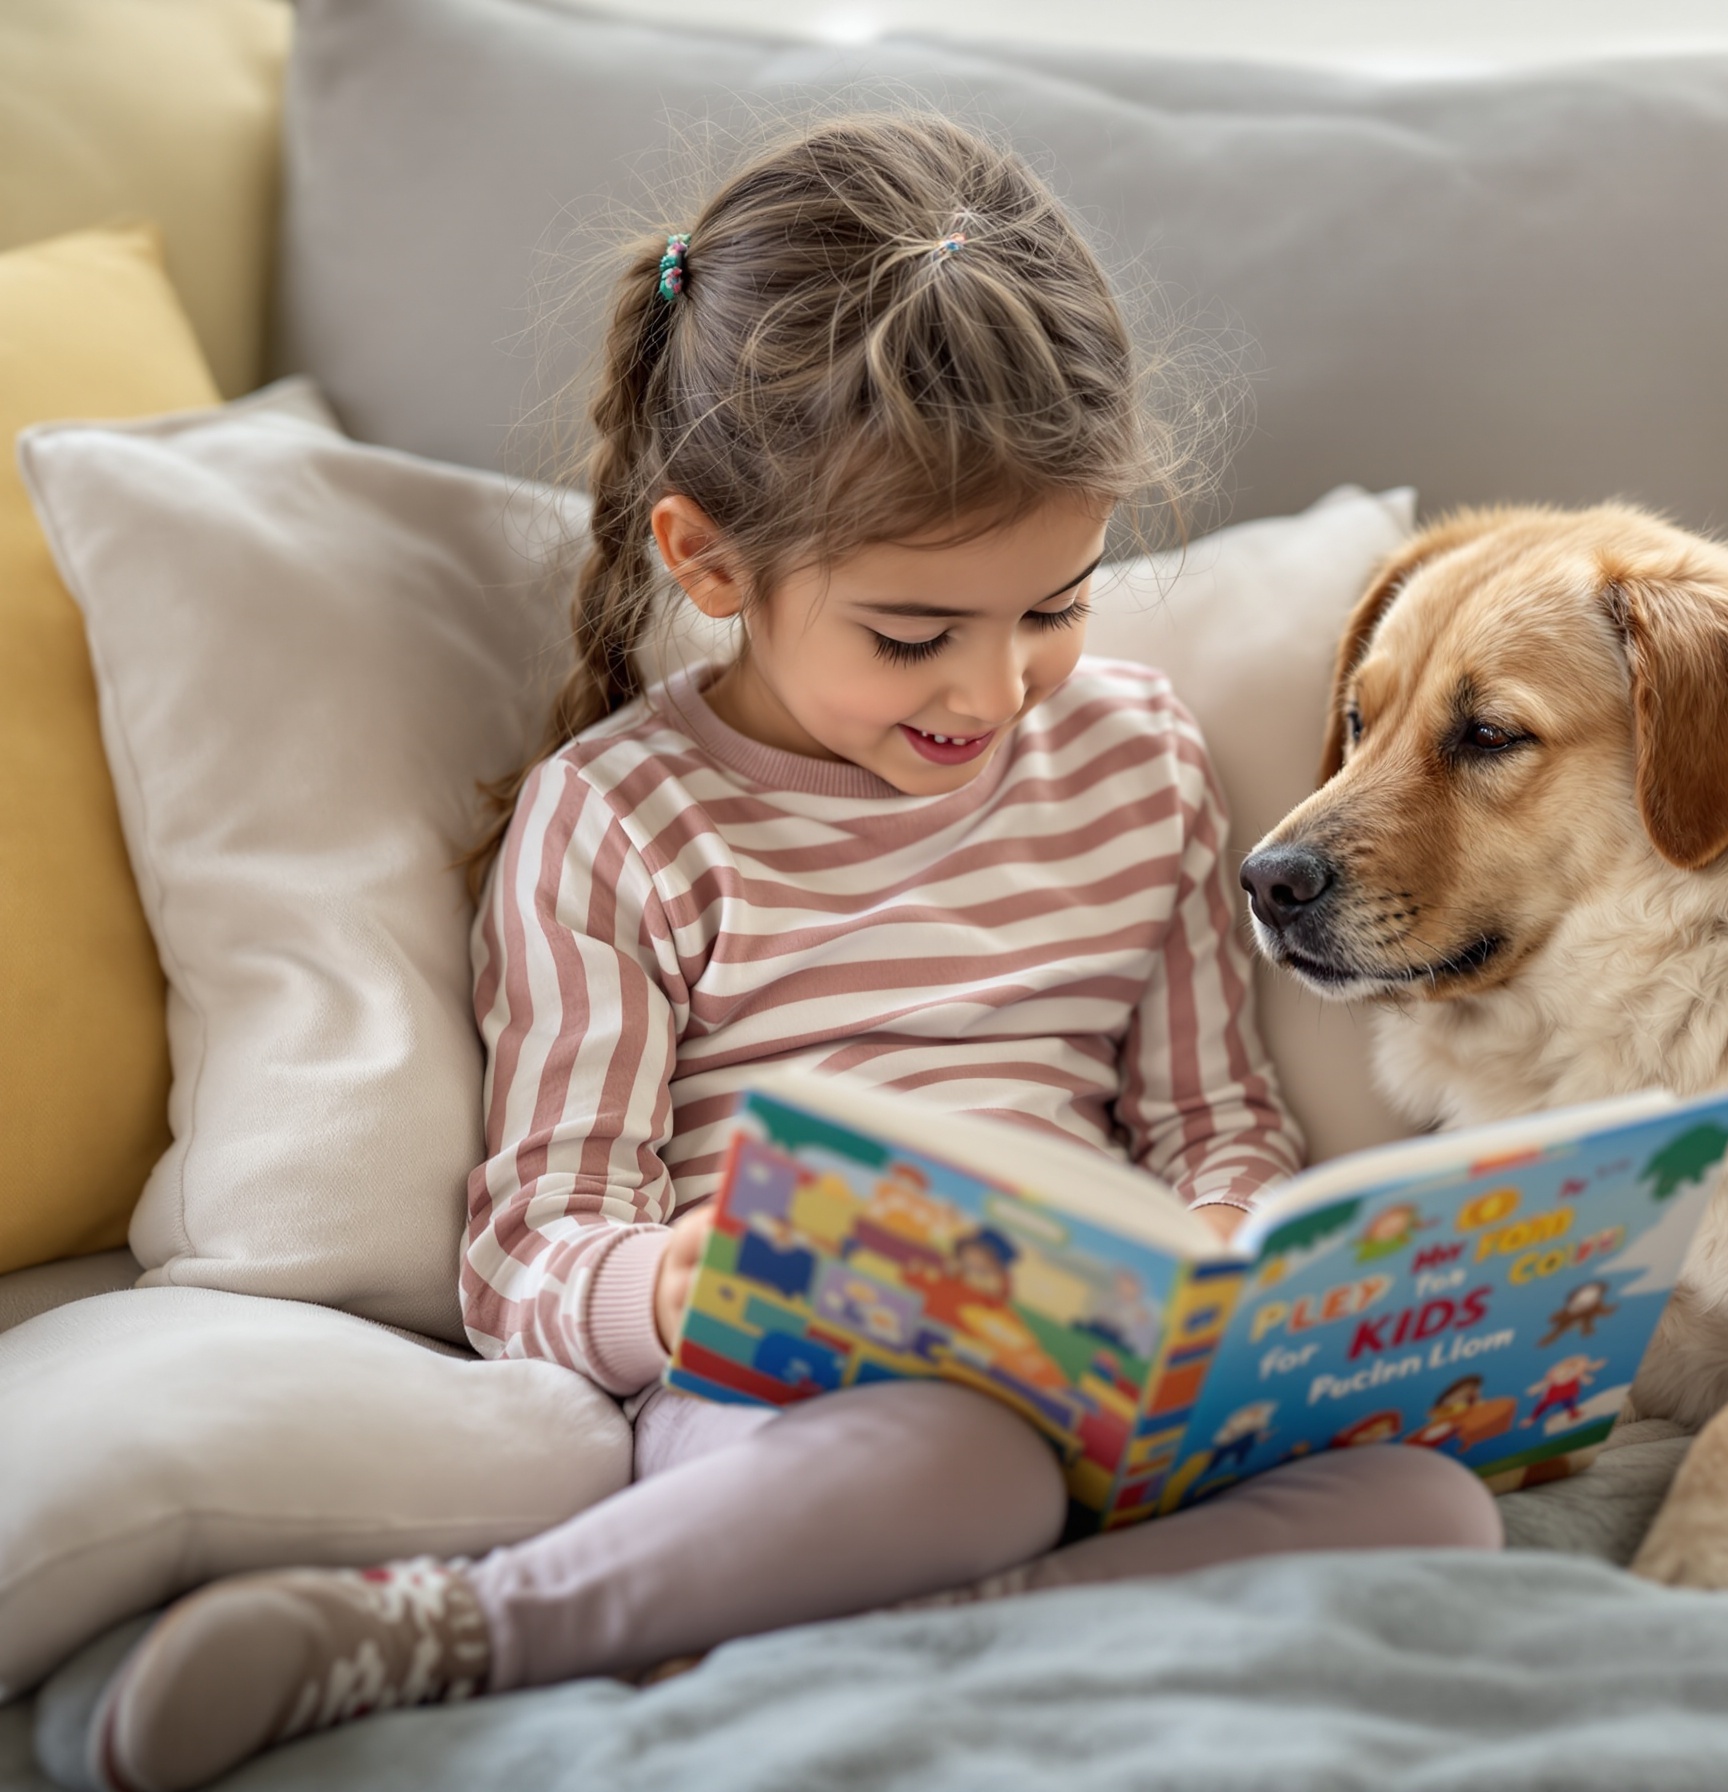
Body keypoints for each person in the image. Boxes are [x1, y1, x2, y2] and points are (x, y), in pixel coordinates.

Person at [93, 116, 1500, 1791]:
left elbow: (1214, 1116)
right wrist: (688, 1280)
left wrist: (1235, 1262)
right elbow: (529, 1253)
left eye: (1055, 607)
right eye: (913, 636)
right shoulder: (623, 822)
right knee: (958, 1465)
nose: (992, 694)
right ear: (710, 561)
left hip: (1108, 1391)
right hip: (800, 1405)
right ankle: (461, 1628)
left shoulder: (1138, 759)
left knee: (1434, 1505)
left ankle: (834, 1622)